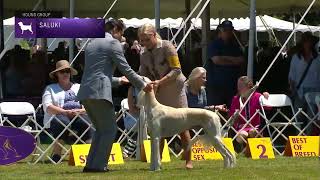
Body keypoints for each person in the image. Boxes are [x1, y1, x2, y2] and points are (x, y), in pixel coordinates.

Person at [77, 19, 152, 173]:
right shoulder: (112, 43)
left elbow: (97, 73)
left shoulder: (91, 43)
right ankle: (99, 166)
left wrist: (118, 80)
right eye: (121, 33)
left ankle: (91, 165)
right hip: (99, 93)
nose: (121, 38)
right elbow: (126, 69)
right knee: (110, 129)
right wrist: (143, 85)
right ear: (115, 30)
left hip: (86, 91)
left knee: (100, 129)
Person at [138, 23, 192, 169]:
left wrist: (160, 82)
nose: (144, 43)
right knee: (158, 128)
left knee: (183, 126)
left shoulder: (167, 46)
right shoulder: (143, 53)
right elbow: (144, 74)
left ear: (154, 35)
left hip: (174, 89)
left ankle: (189, 162)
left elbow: (176, 70)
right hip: (158, 91)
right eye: (142, 41)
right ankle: (157, 161)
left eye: (147, 40)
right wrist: (145, 82)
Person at [42, 60, 93, 163]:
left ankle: (88, 153)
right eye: (62, 71)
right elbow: (47, 107)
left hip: (78, 114)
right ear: (57, 74)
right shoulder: (50, 88)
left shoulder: (79, 87)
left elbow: (89, 104)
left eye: (67, 71)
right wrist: (65, 112)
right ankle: (56, 154)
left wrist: (81, 110)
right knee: (63, 122)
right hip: (58, 115)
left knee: (87, 122)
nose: (65, 73)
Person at [205, 20, 245, 108]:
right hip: (216, 85)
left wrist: (224, 58)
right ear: (221, 30)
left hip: (232, 84)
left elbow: (241, 60)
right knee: (217, 109)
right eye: (226, 30)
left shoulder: (234, 45)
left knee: (232, 109)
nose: (229, 32)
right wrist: (233, 60)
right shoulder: (214, 44)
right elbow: (216, 60)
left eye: (230, 30)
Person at [288, 32, 320, 134]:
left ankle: (309, 141)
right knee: (298, 117)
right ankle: (298, 138)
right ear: (302, 43)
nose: (307, 43)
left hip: (314, 91)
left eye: (309, 41)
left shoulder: (317, 58)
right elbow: (291, 75)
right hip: (300, 91)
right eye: (305, 41)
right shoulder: (296, 58)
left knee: (311, 118)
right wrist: (293, 88)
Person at [229, 76, 269, 147]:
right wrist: (235, 115)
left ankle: (252, 150)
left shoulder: (258, 96)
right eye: (238, 86)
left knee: (253, 132)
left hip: (255, 126)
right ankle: (241, 150)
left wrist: (266, 97)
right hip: (241, 126)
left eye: (241, 86)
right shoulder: (236, 99)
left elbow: (268, 108)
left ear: (249, 86)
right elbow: (231, 115)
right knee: (242, 135)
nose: (239, 88)